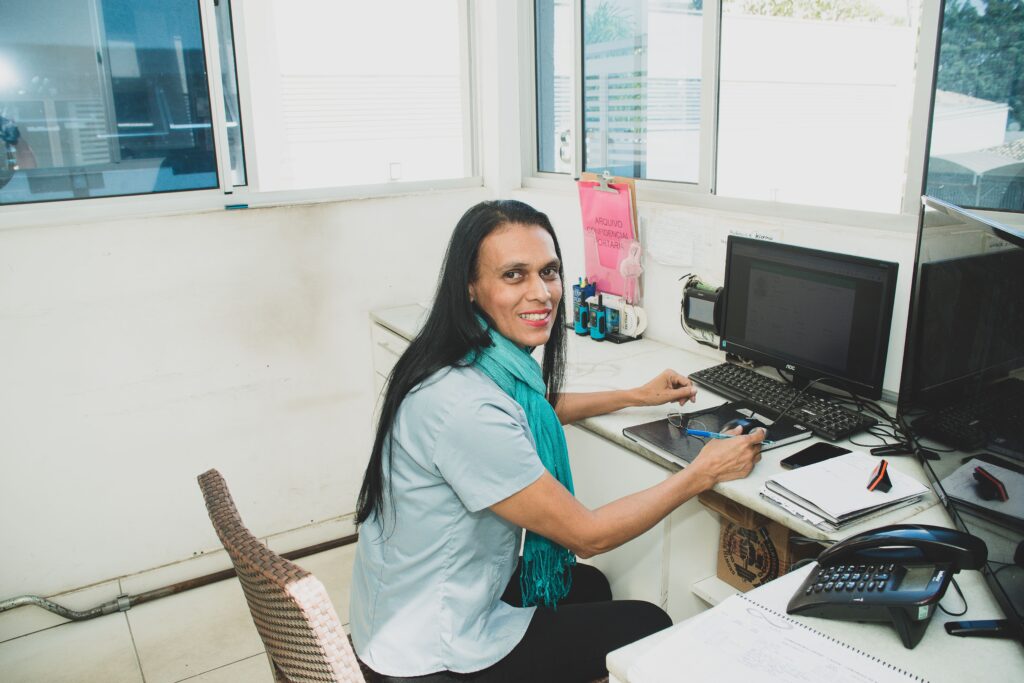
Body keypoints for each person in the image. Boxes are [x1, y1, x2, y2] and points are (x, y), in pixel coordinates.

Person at [350, 200, 764, 682]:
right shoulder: (465, 409)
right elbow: (587, 536)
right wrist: (703, 471)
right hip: (427, 652)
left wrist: (635, 395)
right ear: (470, 285)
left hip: (404, 604)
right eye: (513, 275)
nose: (541, 293)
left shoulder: (467, 357)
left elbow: (531, 409)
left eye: (549, 272)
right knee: (650, 623)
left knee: (588, 586)